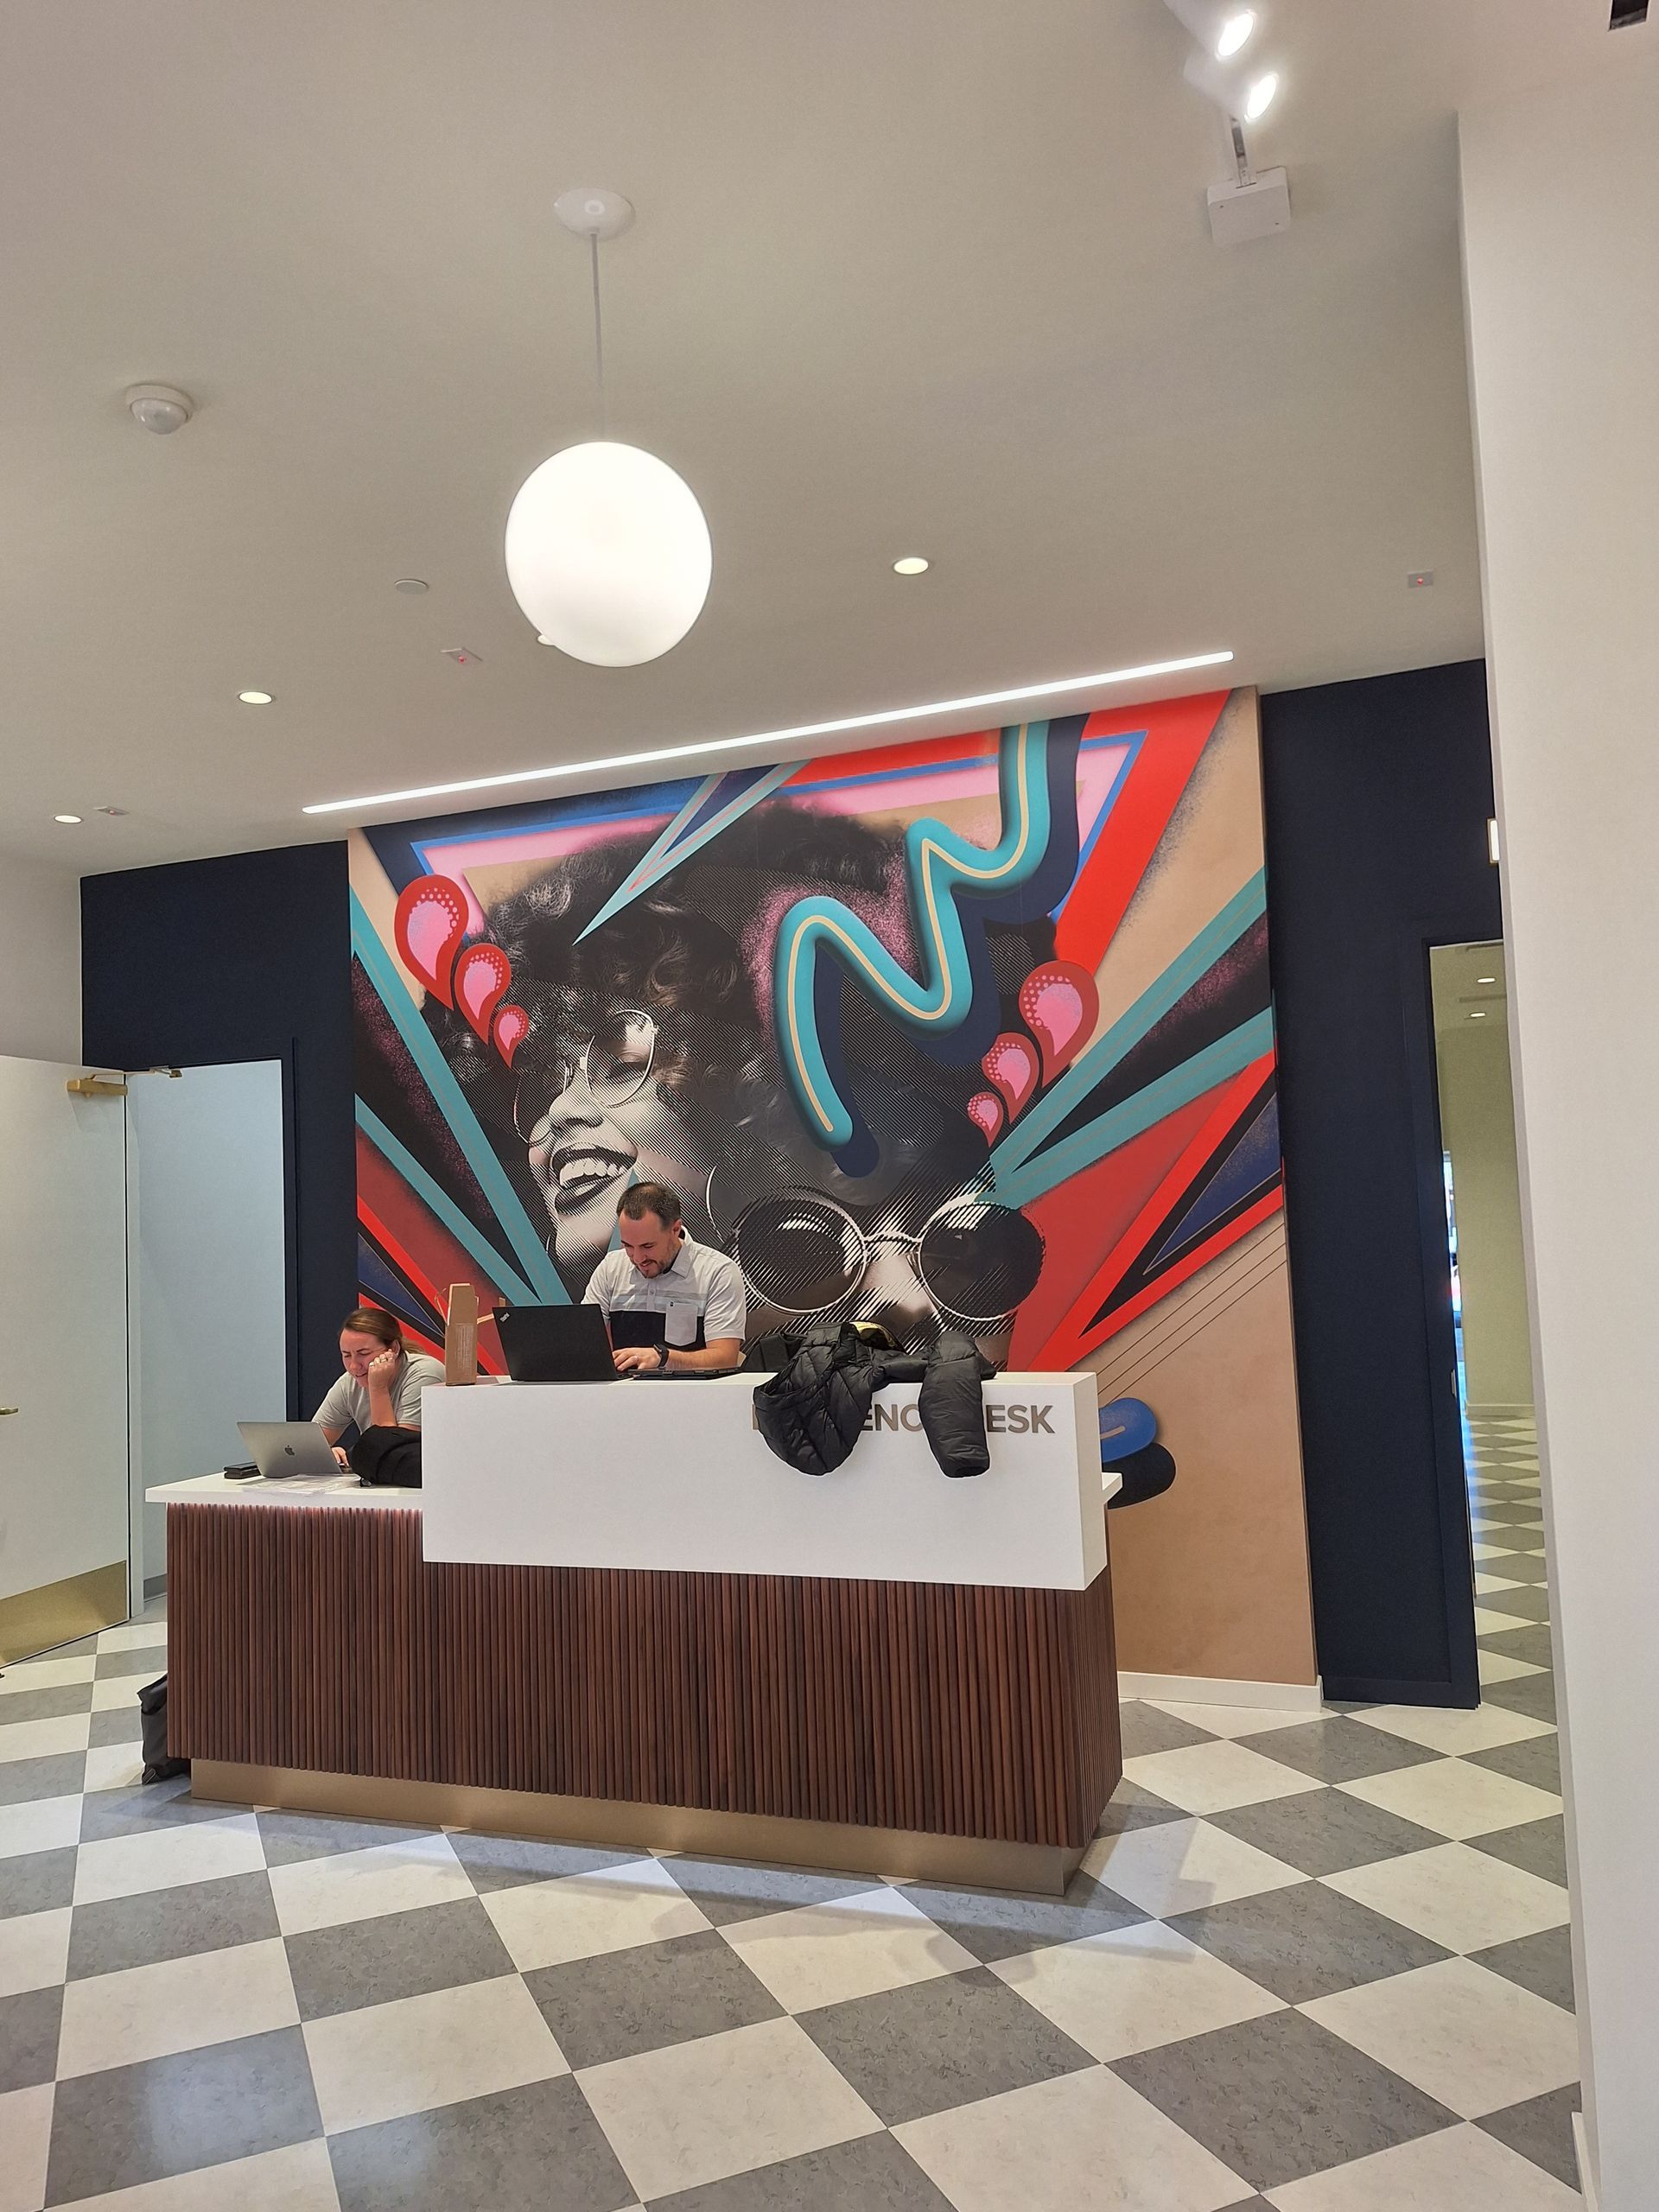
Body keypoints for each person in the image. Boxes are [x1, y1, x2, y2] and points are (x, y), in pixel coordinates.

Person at [582, 1183, 746, 1373]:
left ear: (675, 1229)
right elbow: (582, 1341)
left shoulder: (718, 1272)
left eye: (648, 1246)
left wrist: (662, 1357)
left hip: (693, 1397)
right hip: (620, 1398)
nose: (637, 1258)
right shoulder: (611, 1267)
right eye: (628, 1246)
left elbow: (725, 1358)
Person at [313, 1308, 444, 1469]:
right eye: (346, 1355)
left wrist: (378, 1387)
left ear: (394, 1349)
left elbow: (394, 1456)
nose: (354, 1366)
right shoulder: (348, 1383)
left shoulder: (425, 1374)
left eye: (363, 1353)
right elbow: (307, 1447)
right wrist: (325, 1454)